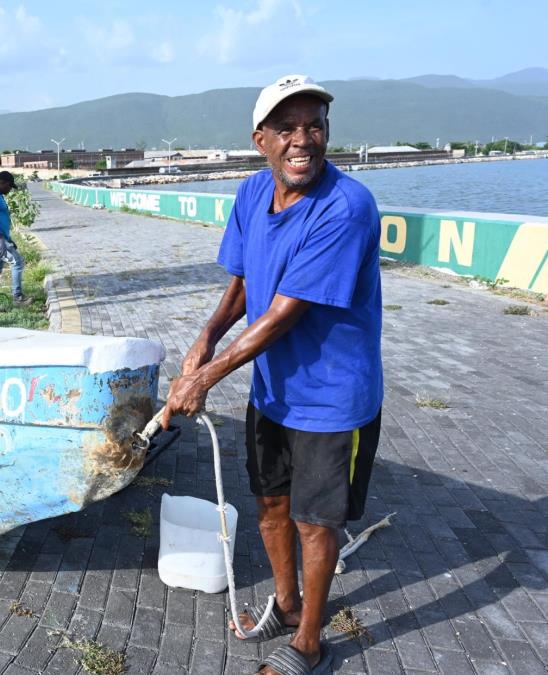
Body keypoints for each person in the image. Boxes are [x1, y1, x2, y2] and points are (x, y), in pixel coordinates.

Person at [160, 75, 383, 675]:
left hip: (333, 397)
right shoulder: (252, 192)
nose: (302, 140)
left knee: (316, 522)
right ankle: (286, 606)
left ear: (328, 132)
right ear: (261, 140)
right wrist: (204, 338)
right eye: (287, 129)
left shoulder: (347, 206)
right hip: (274, 391)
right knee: (269, 505)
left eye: (314, 125)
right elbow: (243, 281)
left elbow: (285, 311)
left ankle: (309, 641)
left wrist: (205, 376)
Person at [0, 170, 32, 316]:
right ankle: (18, 297)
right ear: (2, 183)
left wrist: (7, 240)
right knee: (18, 262)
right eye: (9, 186)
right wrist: (0, 240)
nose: (10, 190)